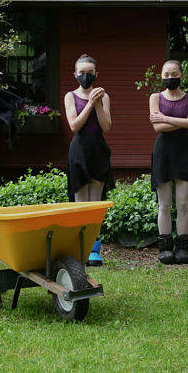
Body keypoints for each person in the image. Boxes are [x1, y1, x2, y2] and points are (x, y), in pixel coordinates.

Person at [148, 60, 188, 264]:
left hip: (185, 154)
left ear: (182, 75)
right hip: (163, 154)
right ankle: (165, 247)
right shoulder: (155, 97)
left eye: (173, 74)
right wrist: (182, 122)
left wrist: (165, 118)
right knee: (164, 204)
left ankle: (183, 247)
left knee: (182, 204)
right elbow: (157, 128)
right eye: (166, 74)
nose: (169, 78)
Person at [64, 54, 114, 266]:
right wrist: (89, 103)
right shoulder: (70, 96)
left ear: (96, 75)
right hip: (79, 150)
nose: (86, 76)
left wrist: (98, 103)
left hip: (98, 150)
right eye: (82, 73)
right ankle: (79, 248)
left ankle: (94, 250)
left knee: (95, 205)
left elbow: (106, 126)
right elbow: (74, 126)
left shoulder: (104, 96)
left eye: (90, 73)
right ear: (75, 74)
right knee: (80, 205)